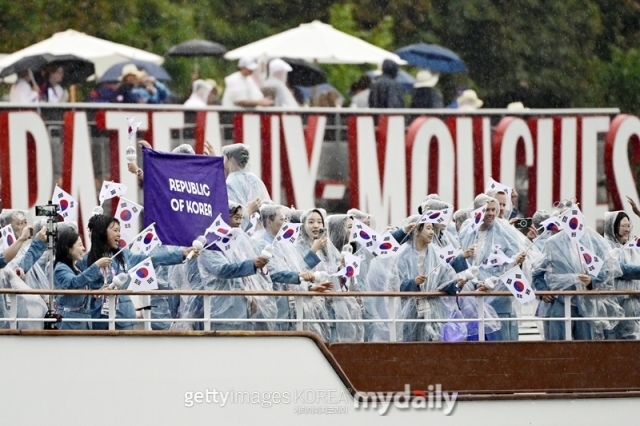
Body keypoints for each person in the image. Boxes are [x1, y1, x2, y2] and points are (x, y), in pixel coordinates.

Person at [80, 214, 196, 330]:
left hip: (124, 317)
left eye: (119, 230)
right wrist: (95, 292)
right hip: (98, 318)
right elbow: (78, 288)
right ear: (102, 232)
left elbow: (152, 258)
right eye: (115, 230)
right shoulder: (85, 261)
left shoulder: (124, 255)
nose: (119, 234)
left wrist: (181, 254)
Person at [459, 194, 528, 341]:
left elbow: (515, 267)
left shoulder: (506, 232)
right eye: (486, 210)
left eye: (493, 209)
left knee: (500, 352)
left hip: (498, 303)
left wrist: (493, 284)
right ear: (476, 211)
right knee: (475, 351)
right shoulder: (467, 231)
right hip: (472, 301)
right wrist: (474, 284)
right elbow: (462, 264)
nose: (491, 213)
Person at [252, 204, 329, 330]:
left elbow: (297, 268)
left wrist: (309, 287)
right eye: (282, 219)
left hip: (289, 307)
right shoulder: (261, 243)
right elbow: (275, 273)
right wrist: (300, 275)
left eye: (287, 219)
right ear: (269, 222)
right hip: (273, 305)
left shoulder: (285, 244)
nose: (286, 222)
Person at [398, 221, 466, 341]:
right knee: (410, 344)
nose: (432, 232)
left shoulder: (437, 253)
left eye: (432, 229)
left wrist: (456, 284)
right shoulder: (403, 255)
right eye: (428, 228)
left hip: (434, 310)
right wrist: (413, 283)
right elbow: (395, 284)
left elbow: (445, 280)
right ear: (417, 231)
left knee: (433, 344)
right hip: (410, 312)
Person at [53, 228, 111, 330]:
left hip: (82, 321)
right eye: (80, 245)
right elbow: (74, 283)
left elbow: (79, 289)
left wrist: (96, 293)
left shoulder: (75, 268)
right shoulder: (60, 268)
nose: (83, 248)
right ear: (68, 248)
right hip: (69, 323)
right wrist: (96, 265)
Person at [604, 211, 640, 339]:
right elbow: (619, 269)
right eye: (623, 226)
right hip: (614, 305)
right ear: (613, 227)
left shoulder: (632, 249)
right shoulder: (606, 246)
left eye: (629, 226)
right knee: (612, 345)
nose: (627, 230)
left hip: (633, 307)